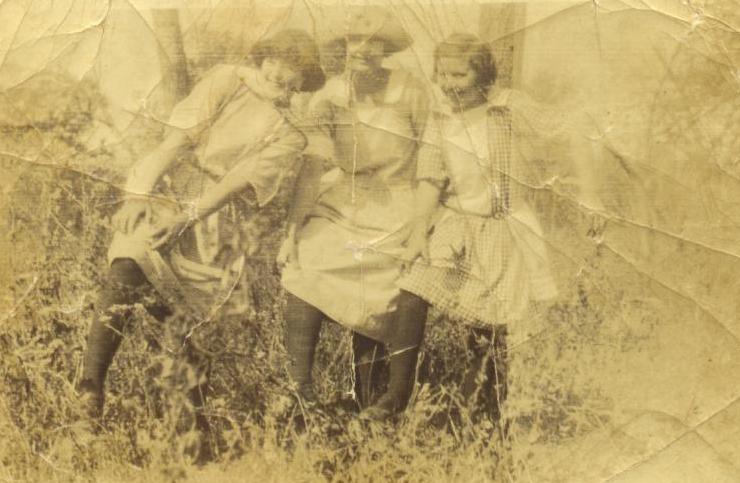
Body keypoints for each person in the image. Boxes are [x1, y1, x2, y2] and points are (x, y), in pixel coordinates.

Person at [78, 29, 325, 455]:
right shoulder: (226, 79)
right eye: (276, 61)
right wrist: (138, 193)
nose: (280, 74)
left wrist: (187, 217)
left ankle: (192, 434)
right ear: (263, 58)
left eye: (294, 71)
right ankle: (89, 391)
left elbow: (235, 183)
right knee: (129, 260)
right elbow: (174, 142)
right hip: (171, 189)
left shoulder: (291, 133)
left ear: (303, 82)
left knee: (188, 323)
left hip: (216, 219)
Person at [362, 33, 604, 421]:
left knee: (490, 325)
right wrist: (419, 232)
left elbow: (573, 127)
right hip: (456, 226)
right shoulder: (440, 117)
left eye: (459, 75)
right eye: (442, 74)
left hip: (502, 228)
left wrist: (590, 195)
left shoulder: (508, 107)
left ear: (483, 74)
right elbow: (430, 177)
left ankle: (479, 412)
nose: (448, 84)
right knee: (412, 291)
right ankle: (396, 395)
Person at [278, 7, 429, 409]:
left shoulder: (410, 91)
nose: (361, 50)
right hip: (345, 199)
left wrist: (425, 221)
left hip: (400, 202)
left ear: (386, 48)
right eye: (353, 41)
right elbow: (313, 168)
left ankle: (373, 397)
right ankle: (299, 391)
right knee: (306, 258)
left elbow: (432, 156)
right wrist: (291, 232)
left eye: (372, 42)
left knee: (383, 283)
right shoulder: (330, 97)